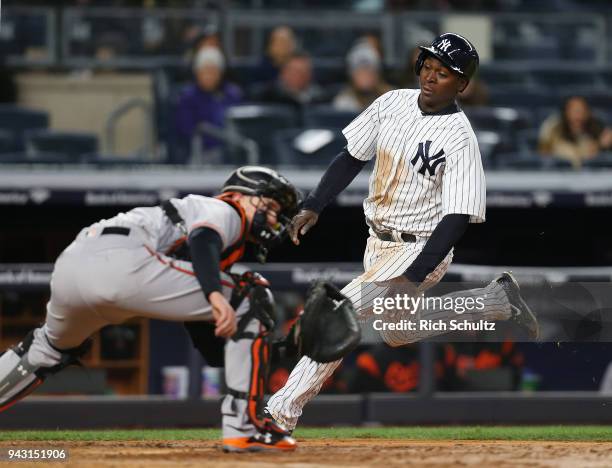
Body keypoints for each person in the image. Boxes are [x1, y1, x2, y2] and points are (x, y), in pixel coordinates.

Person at [264, 33, 539, 437]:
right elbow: (350, 157)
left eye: (443, 73)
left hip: (421, 246)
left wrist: (413, 277)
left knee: (343, 311)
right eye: (427, 67)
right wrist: (314, 203)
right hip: (377, 241)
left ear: (461, 84)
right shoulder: (391, 102)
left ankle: (279, 412)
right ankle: (494, 302)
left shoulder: (461, 138)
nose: (431, 76)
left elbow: (458, 216)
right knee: (397, 332)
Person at [0, 166, 300, 453]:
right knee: (252, 293)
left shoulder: (200, 239)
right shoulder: (225, 209)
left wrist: (280, 349)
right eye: (270, 205)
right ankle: (244, 429)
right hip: (125, 260)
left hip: (72, 266)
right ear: (241, 194)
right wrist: (214, 295)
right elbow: (204, 239)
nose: (273, 218)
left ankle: (244, 427)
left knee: (45, 349)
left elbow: (210, 347)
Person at [174, 47, 243, 164]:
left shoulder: (232, 94)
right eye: (205, 71)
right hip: (201, 151)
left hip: (232, 149)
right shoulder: (188, 97)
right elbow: (186, 130)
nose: (209, 76)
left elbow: (241, 125)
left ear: (220, 73)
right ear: (197, 72)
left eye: (213, 71)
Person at [538, 96, 612, 169]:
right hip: (559, 172)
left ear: (588, 113)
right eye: (574, 111)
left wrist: (600, 145)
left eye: (581, 111)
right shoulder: (553, 127)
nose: (578, 115)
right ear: (566, 112)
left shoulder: (596, 128)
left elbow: (593, 153)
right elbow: (544, 152)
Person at [253, 51, 327, 111]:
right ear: (283, 73)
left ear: (309, 75)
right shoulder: (267, 96)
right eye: (293, 71)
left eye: (302, 72)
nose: (297, 76)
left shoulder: (320, 98)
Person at [333, 42, 394, 112]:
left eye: (369, 72)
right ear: (351, 76)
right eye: (360, 72)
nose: (365, 77)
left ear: (377, 75)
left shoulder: (391, 97)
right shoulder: (343, 102)